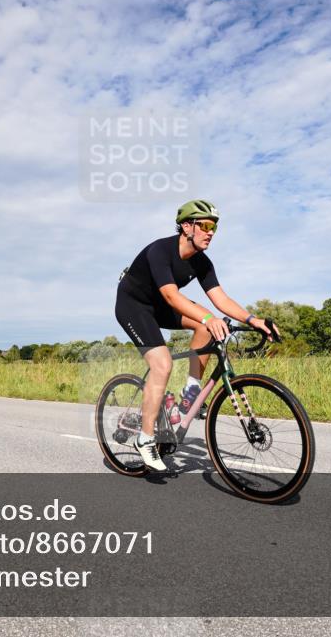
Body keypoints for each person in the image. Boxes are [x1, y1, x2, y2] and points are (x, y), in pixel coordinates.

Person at [114, 199, 278, 472]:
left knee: (204, 326)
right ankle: (145, 439)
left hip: (161, 307)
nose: (211, 232)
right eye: (205, 225)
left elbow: (220, 298)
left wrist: (254, 320)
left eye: (214, 226)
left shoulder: (202, 262)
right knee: (163, 364)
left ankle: (189, 393)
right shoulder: (160, 250)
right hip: (134, 306)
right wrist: (207, 317)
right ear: (186, 226)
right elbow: (170, 295)